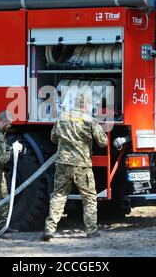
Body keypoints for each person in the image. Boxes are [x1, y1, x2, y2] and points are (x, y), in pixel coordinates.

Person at [42, 93, 108, 241]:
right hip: (82, 165)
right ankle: (91, 230)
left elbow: (53, 137)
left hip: (62, 163)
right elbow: (103, 142)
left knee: (58, 195)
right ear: (86, 105)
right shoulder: (89, 120)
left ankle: (49, 229)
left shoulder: (62, 118)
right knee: (89, 198)